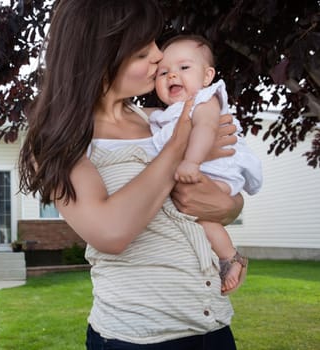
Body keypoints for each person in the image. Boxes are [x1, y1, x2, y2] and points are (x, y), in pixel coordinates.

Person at [19, 1, 243, 349]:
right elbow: (112, 231)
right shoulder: (59, 141)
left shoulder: (160, 118)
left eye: (155, 42)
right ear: (99, 59)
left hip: (210, 324)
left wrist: (229, 211)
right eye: (142, 53)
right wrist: (181, 144)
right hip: (137, 336)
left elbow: (229, 184)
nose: (159, 57)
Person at [151, 34, 263, 294]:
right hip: (202, 174)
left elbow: (207, 128)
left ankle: (229, 257)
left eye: (184, 67)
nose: (172, 75)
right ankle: (230, 258)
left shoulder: (204, 100)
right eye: (163, 72)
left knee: (200, 213)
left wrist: (191, 161)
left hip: (219, 171)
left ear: (206, 76)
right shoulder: (163, 116)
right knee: (200, 218)